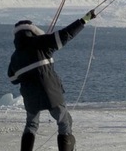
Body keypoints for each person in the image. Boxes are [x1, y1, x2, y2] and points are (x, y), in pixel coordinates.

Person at [8, 10, 96, 151]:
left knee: (31, 125)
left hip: (30, 97)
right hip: (51, 93)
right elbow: (66, 34)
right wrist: (84, 20)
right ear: (33, 30)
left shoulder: (15, 56)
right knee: (64, 122)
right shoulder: (42, 43)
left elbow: (12, 79)